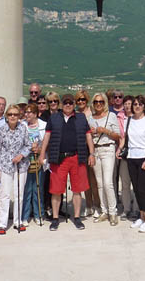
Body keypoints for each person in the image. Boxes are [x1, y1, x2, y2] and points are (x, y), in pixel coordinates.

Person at [39, 93, 96, 231]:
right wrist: (42, 154)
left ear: (74, 104)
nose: (68, 105)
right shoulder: (54, 118)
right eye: (66, 103)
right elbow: (47, 136)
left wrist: (92, 154)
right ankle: (55, 218)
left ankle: (77, 218)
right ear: (61, 104)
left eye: (71, 103)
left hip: (77, 158)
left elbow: (88, 136)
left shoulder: (81, 118)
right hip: (58, 159)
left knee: (77, 190)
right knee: (56, 190)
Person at [118, 95, 145, 233]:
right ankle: (141, 216)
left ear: (144, 106)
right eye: (135, 104)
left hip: (144, 157)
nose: (137, 106)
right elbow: (124, 138)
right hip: (131, 157)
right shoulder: (129, 120)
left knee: (142, 189)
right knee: (136, 188)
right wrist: (119, 149)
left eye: (140, 104)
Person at [0, 104, 32, 234]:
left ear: (19, 116)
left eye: (15, 114)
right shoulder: (1, 130)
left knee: (19, 194)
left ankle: (18, 220)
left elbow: (28, 145)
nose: (13, 117)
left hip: (21, 166)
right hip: (5, 165)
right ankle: (2, 223)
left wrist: (21, 155)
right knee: (4, 194)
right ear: (6, 116)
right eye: (10, 114)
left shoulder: (23, 129)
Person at [89, 92, 121, 225]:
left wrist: (105, 131)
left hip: (108, 149)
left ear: (105, 103)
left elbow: (117, 135)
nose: (98, 104)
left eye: (101, 102)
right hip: (96, 149)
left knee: (108, 182)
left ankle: (113, 212)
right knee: (99, 183)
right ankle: (104, 211)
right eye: (96, 102)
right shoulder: (90, 118)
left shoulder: (111, 116)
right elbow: (88, 136)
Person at [22, 103, 47, 225]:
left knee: (38, 188)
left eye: (29, 112)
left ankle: (39, 214)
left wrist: (41, 148)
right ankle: (25, 216)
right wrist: (28, 148)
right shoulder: (22, 125)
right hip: (26, 161)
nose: (27, 114)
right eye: (26, 112)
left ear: (35, 114)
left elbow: (47, 142)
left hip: (39, 160)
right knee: (27, 190)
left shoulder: (44, 125)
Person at [77, 90, 100, 218]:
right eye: (78, 100)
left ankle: (97, 205)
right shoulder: (75, 114)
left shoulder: (92, 113)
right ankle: (89, 205)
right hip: (80, 149)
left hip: (92, 147)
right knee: (85, 180)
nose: (81, 102)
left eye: (83, 99)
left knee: (94, 179)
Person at [117, 94, 139, 221]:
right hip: (126, 156)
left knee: (136, 184)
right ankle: (126, 209)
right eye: (125, 103)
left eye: (130, 103)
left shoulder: (141, 120)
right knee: (125, 184)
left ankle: (136, 209)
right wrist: (119, 149)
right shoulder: (126, 120)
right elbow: (123, 138)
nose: (127, 106)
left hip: (137, 155)